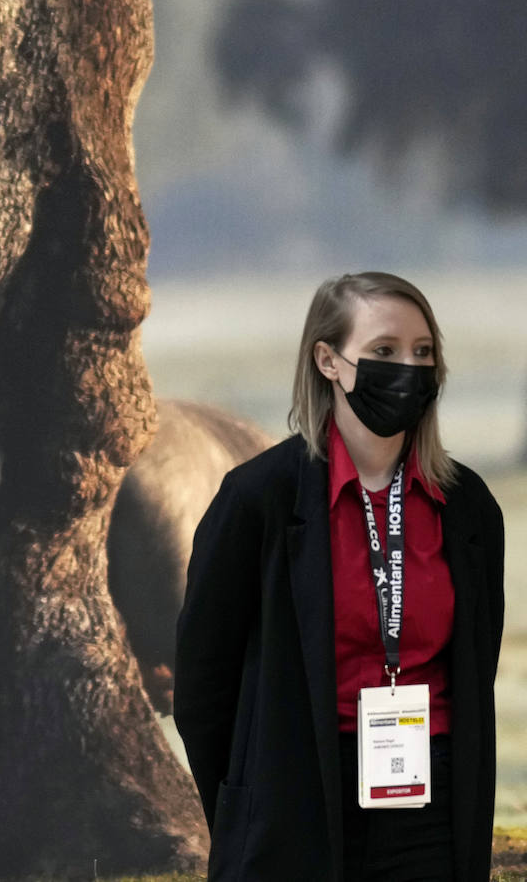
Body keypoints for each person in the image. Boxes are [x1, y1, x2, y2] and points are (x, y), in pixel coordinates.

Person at [174, 272, 504, 882]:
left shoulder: (468, 506)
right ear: (328, 359)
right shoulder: (258, 498)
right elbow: (202, 686)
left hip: (429, 809)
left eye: (423, 352)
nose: (409, 367)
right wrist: (247, 804)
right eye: (384, 352)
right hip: (293, 799)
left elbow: (476, 666)